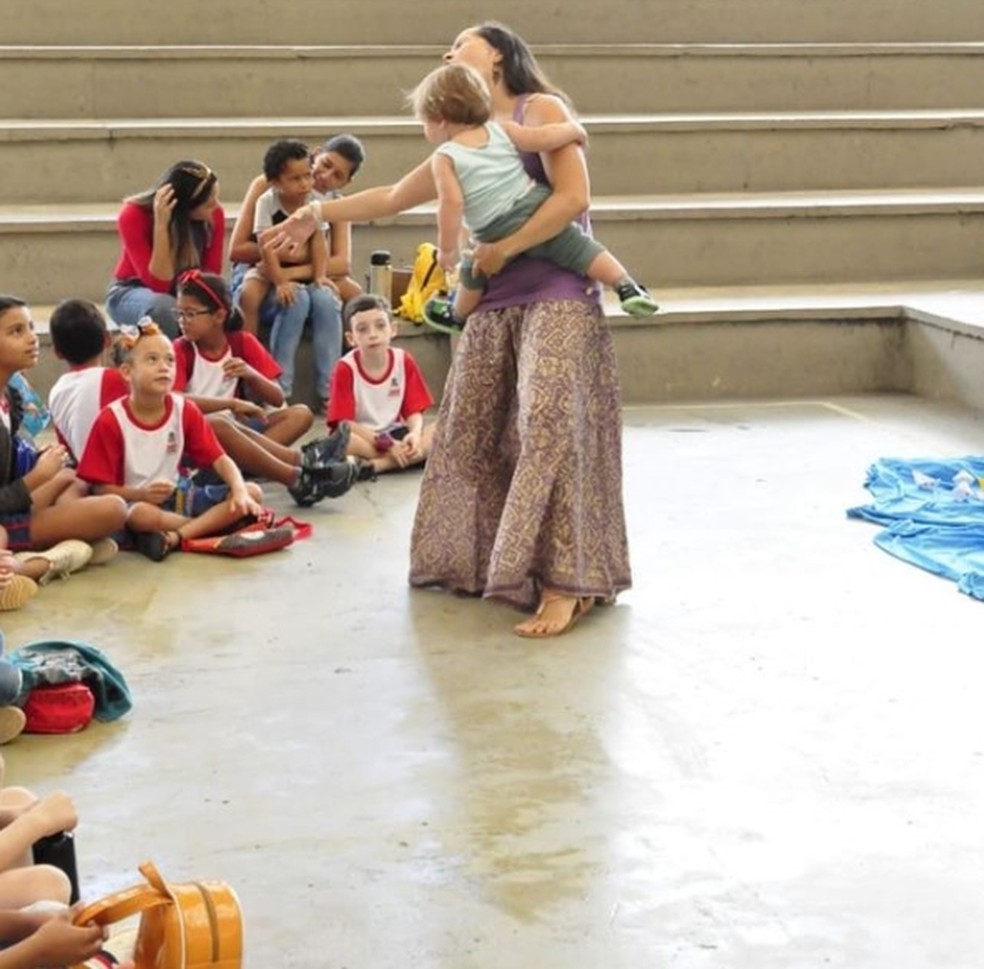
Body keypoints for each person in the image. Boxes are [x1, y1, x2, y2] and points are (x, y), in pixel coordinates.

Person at [270, 22, 632, 637]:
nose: (447, 51)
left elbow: (572, 199)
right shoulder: (461, 138)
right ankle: (492, 564)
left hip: (557, 290)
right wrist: (314, 212)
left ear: (497, 56)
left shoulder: (538, 110)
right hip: (493, 301)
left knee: (547, 422)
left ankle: (567, 583)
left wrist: (504, 248)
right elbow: (391, 196)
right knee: (472, 432)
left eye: (462, 41)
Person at [409, 62, 659, 332]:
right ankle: (626, 286)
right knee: (580, 248)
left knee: (472, 270)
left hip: (492, 230)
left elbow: (452, 203)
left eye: (424, 122)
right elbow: (543, 139)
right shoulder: (502, 129)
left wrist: (446, 249)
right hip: (532, 205)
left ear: (440, 119)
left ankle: (457, 315)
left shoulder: (445, 157)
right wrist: (574, 130)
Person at [172, 271, 366, 506]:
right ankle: (300, 469)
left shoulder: (240, 342)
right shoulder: (181, 350)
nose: (183, 320)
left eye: (191, 313)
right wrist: (231, 403)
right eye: (179, 313)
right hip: (198, 446)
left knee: (301, 414)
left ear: (219, 315)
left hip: (237, 432)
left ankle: (257, 463)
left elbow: (276, 398)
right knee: (219, 424)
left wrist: (251, 374)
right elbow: (175, 399)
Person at [76, 322, 264, 561]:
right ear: (127, 372)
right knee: (140, 516)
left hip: (181, 496)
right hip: (137, 502)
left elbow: (220, 459)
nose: (164, 367)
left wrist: (239, 491)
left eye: (170, 360)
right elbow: (100, 488)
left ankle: (177, 536)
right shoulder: (111, 419)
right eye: (152, 360)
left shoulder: (184, 409)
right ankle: (211, 526)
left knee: (253, 492)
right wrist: (142, 494)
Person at [0, 297, 125, 583]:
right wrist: (37, 477)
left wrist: (39, 462)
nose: (32, 338)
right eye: (16, 332)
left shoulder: (10, 396)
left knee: (72, 476)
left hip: (16, 503)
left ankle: (66, 546)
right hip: (4, 518)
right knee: (113, 509)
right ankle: (35, 565)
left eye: (31, 328)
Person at [229, 137, 361, 408]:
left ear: (347, 182)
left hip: (305, 270)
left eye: (338, 175)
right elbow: (242, 249)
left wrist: (299, 264)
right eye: (324, 165)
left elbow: (340, 263)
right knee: (250, 294)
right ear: (315, 155)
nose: (324, 177)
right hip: (266, 268)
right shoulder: (268, 189)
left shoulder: (330, 202)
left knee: (354, 297)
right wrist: (281, 272)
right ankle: (250, 379)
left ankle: (351, 383)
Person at [105, 160, 224, 339]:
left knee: (220, 309)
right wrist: (161, 226)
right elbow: (158, 284)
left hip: (186, 290)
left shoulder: (214, 215)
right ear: (184, 208)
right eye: (208, 203)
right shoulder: (133, 215)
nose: (216, 206)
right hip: (133, 290)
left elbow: (211, 274)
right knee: (164, 309)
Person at [328, 295, 435, 475]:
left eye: (380, 326)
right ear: (350, 338)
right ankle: (410, 458)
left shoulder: (403, 360)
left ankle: (375, 466)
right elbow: (345, 423)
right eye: (362, 329)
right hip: (364, 436)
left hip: (396, 432)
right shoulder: (345, 368)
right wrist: (388, 445)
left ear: (393, 329)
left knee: (441, 429)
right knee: (344, 442)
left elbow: (413, 411)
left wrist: (415, 434)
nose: (373, 334)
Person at [47, 299, 129, 464]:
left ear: (57, 352)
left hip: (82, 472)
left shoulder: (55, 392)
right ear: (107, 340)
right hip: (120, 473)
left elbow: (66, 450)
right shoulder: (116, 379)